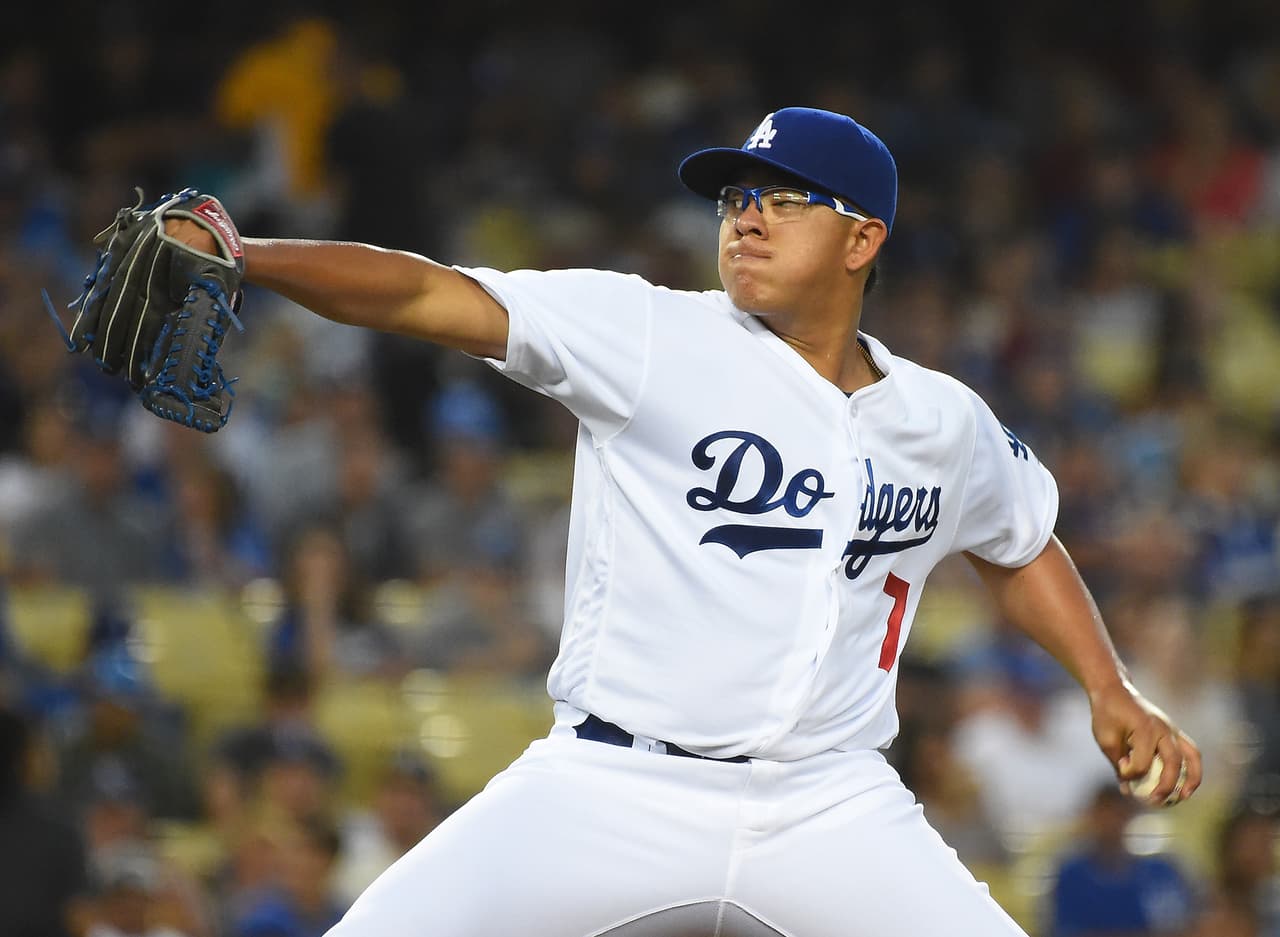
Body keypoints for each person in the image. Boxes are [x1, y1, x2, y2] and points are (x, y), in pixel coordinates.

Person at [166, 106, 1204, 936]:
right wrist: (249, 254)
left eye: (783, 200)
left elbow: (1017, 541)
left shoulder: (941, 419)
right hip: (613, 784)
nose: (745, 218)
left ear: (862, 238)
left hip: (831, 803)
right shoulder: (650, 334)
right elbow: (427, 297)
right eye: (735, 198)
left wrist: (1106, 684)